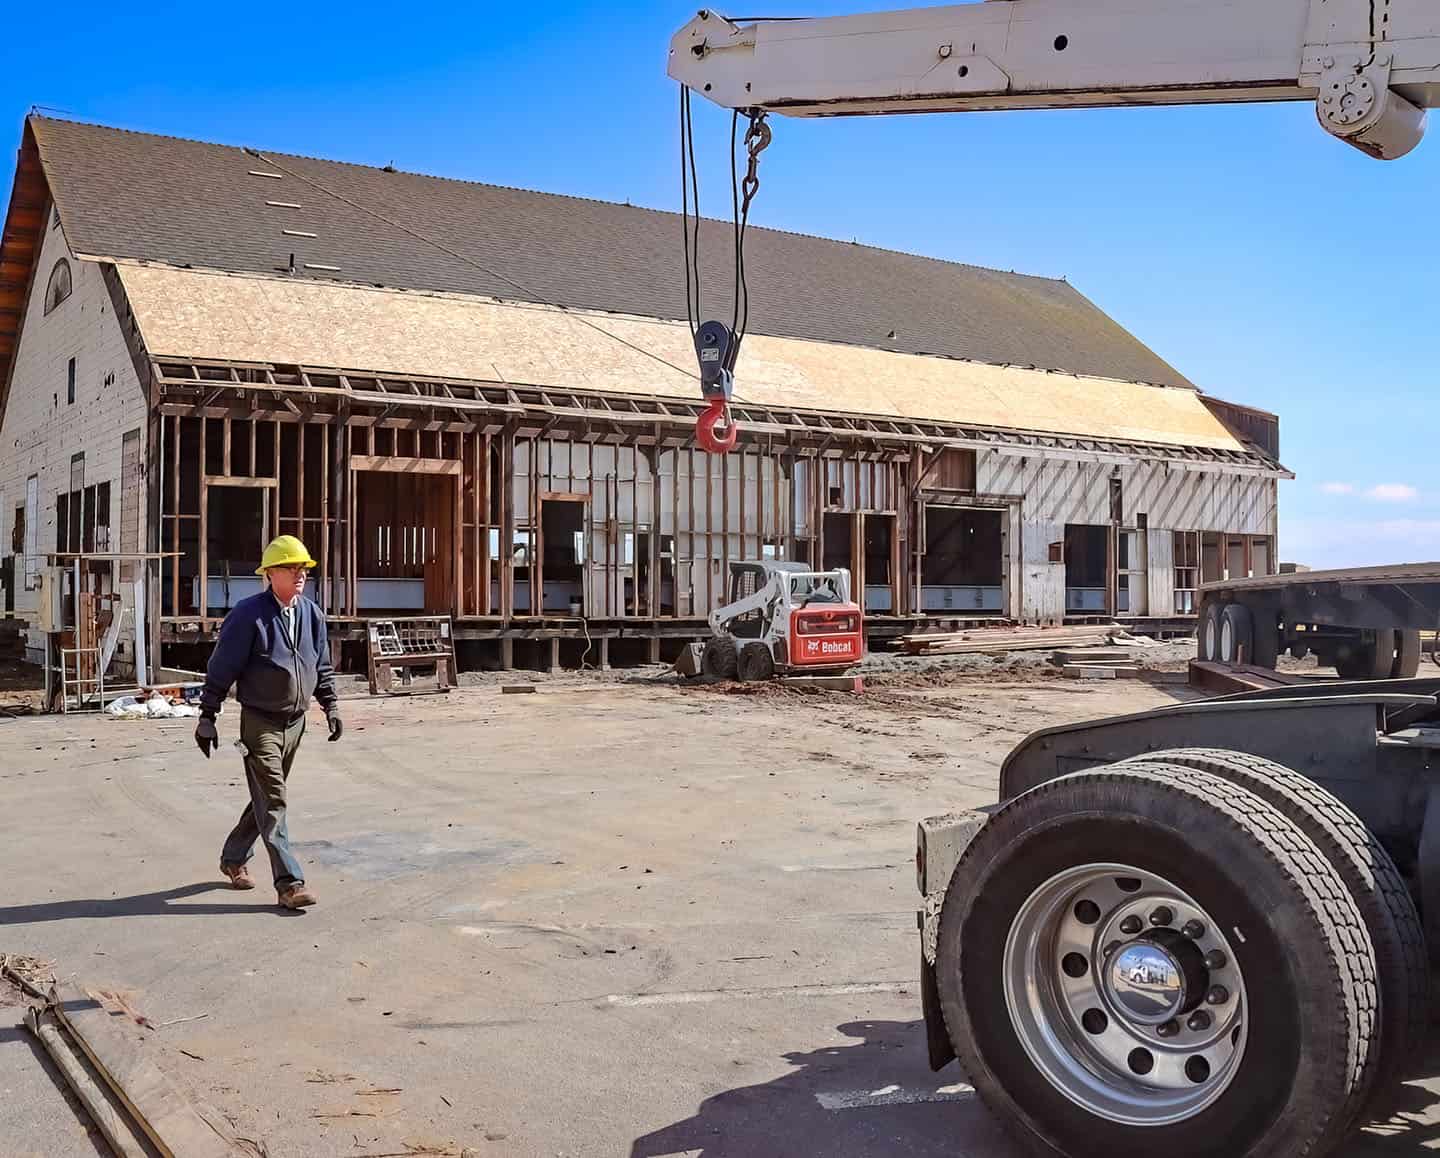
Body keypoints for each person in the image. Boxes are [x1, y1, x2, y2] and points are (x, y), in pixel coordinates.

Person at [194, 535, 342, 909]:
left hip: (296, 723)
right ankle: (290, 883)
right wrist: (207, 716)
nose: (300, 574)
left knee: (265, 798)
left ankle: (233, 857)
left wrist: (331, 705)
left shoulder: (311, 614)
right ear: (270, 573)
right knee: (274, 799)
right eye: (291, 568)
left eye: (303, 568)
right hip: (260, 722)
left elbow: (320, 664)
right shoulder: (248, 615)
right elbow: (222, 667)